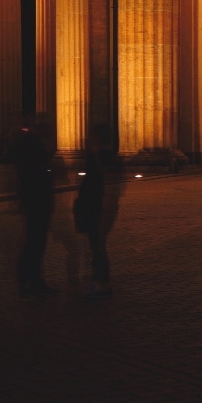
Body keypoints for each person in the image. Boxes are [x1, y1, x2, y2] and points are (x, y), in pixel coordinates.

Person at [7, 114, 57, 297]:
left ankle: (28, 281)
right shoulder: (33, 145)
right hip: (37, 198)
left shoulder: (26, 144)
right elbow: (37, 172)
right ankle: (32, 282)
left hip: (32, 198)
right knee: (35, 242)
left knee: (32, 241)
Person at [71, 124, 122, 298]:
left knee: (97, 246)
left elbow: (106, 186)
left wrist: (106, 212)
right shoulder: (108, 158)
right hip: (96, 206)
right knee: (97, 246)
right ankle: (101, 282)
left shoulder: (101, 158)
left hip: (96, 207)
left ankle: (101, 283)